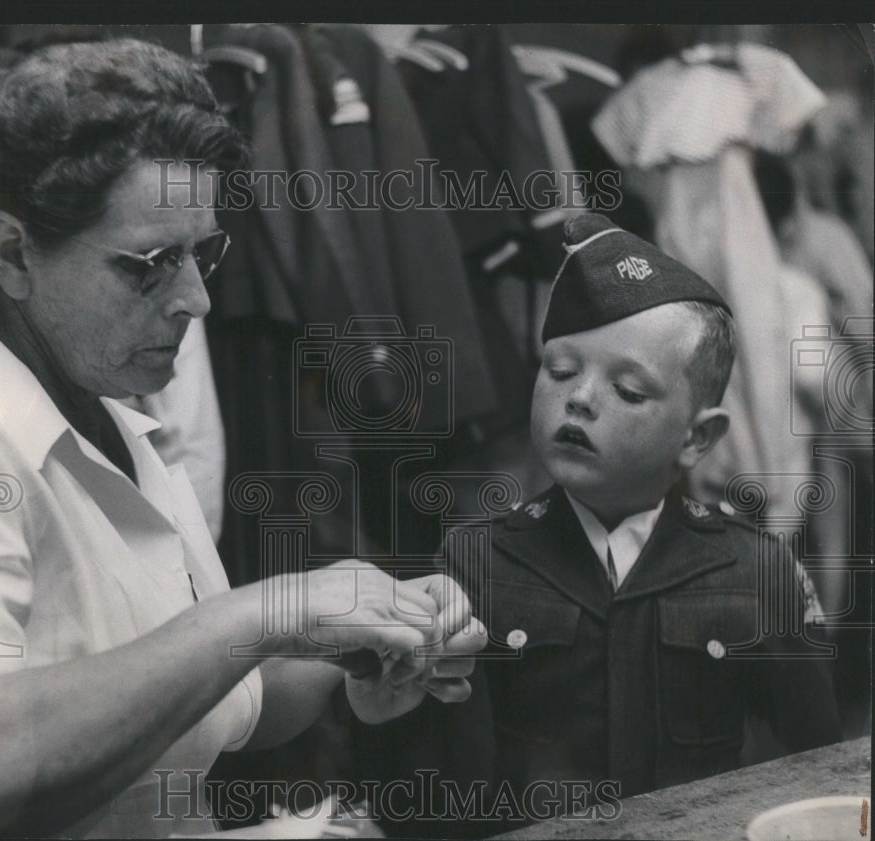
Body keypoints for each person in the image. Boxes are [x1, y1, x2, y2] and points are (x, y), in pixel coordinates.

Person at [0, 39, 485, 839]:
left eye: (202, 253)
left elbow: (217, 694)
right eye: (152, 263)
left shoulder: (111, 416)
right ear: (14, 252)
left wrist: (356, 642)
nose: (196, 299)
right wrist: (255, 614)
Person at [359, 213, 842, 836]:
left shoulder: (756, 571)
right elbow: (433, 792)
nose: (580, 398)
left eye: (628, 391)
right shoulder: (475, 562)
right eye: (559, 371)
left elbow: (818, 775)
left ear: (697, 437)